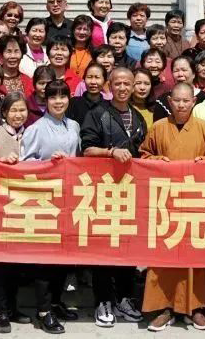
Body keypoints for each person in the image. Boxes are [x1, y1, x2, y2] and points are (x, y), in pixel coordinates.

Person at [0, 82, 79, 334]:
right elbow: (26, 162)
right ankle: (43, 311)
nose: (58, 101)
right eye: (53, 97)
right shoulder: (36, 128)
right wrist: (48, 164)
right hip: (43, 201)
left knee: (63, 258)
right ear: (46, 101)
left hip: (67, 199)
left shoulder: (73, 125)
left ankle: (55, 302)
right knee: (45, 260)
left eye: (63, 96)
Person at [139, 82, 205, 331]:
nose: (181, 105)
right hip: (166, 201)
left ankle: (196, 307)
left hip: (196, 200)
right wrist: (156, 160)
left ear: (194, 102)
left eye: (186, 101)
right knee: (164, 256)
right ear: (170, 102)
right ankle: (164, 308)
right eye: (177, 101)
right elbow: (144, 156)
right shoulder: (158, 127)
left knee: (196, 256)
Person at [80, 67, 147, 328]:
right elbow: (86, 149)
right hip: (102, 191)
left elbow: (143, 152)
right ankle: (103, 301)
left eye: (127, 83)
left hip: (129, 193)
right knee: (103, 250)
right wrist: (110, 152)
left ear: (134, 86)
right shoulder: (97, 113)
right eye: (117, 83)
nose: (122, 88)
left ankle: (124, 299)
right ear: (109, 85)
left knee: (127, 248)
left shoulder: (138, 117)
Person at [0, 33, 34, 103]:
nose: (13, 56)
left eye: (16, 51)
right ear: (1, 54)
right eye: (8, 51)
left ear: (22, 55)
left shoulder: (29, 81)